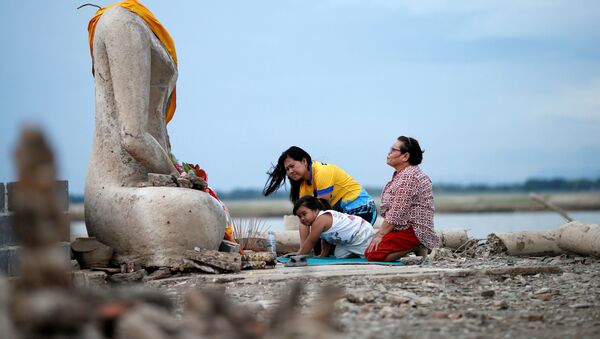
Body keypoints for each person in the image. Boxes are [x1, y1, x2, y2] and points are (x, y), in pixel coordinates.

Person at [365, 136, 439, 262]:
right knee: (369, 249)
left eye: (393, 150)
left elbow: (396, 212)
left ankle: (417, 245)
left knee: (374, 254)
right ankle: (412, 247)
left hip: (414, 229)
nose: (389, 153)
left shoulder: (409, 177)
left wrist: (381, 234)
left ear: (405, 157)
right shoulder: (403, 174)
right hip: (402, 227)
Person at [293, 195, 375, 258]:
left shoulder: (321, 220)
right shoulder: (319, 222)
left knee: (370, 255)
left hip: (361, 233)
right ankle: (357, 252)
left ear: (315, 209)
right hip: (348, 242)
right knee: (339, 255)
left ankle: (373, 243)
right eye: (299, 216)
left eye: (304, 214)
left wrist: (300, 255)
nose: (302, 218)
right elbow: (326, 238)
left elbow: (311, 241)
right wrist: (323, 254)